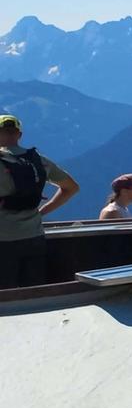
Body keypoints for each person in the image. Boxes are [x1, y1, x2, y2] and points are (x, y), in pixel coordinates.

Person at [0, 113, 80, 289]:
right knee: (34, 291)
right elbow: (72, 188)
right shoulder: (39, 160)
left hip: (3, 240)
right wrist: (43, 211)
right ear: (19, 135)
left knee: (4, 297)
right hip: (34, 237)